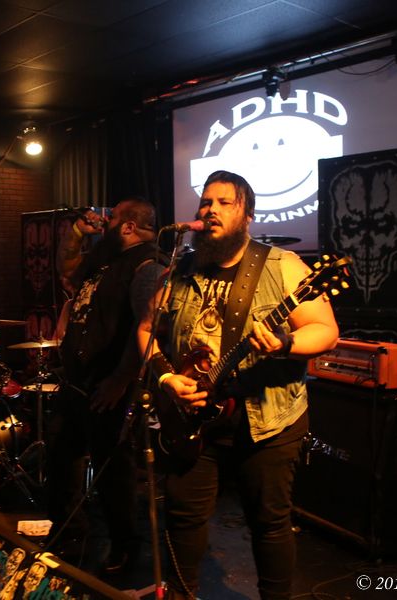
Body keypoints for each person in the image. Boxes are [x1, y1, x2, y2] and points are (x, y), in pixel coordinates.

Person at [137, 171, 339, 600]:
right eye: (205, 202)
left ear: (247, 214)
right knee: (182, 516)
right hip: (192, 415)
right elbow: (146, 329)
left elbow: (325, 331)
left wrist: (285, 343)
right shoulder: (181, 269)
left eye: (224, 202)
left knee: (269, 523)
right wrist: (167, 377)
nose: (210, 210)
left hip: (267, 421)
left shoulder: (282, 266)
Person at [46, 198, 166, 574]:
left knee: (113, 469)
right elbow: (66, 268)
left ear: (128, 226)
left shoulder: (147, 265)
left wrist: (120, 379)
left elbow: (147, 326)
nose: (105, 223)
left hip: (108, 383)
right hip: (79, 380)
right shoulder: (105, 258)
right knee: (60, 456)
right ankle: (71, 534)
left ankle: (125, 547)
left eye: (112, 219)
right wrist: (77, 232)